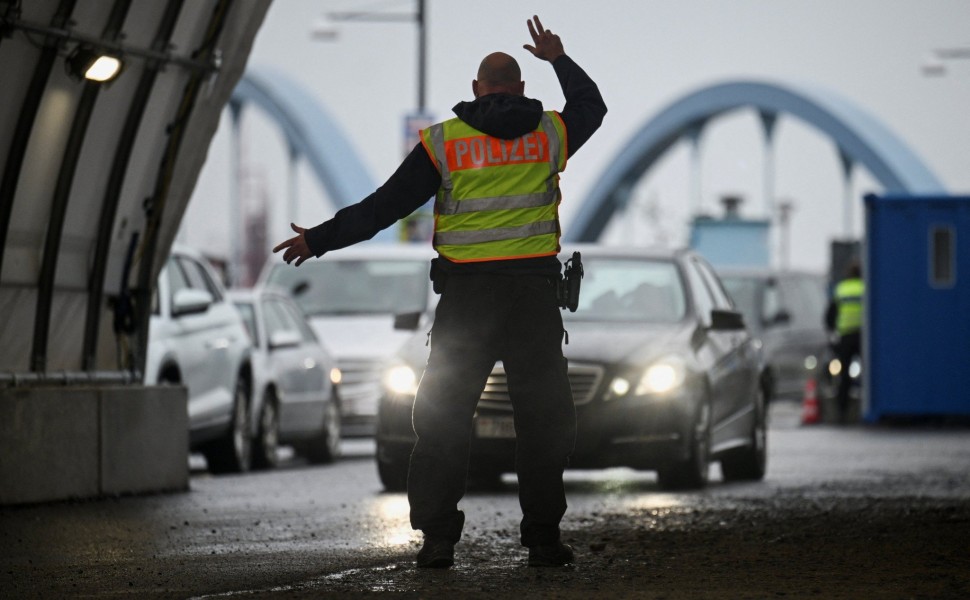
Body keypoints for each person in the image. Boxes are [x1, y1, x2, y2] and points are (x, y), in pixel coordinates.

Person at [273, 15, 606, 569]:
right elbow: (591, 106)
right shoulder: (551, 132)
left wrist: (319, 239)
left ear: (476, 89)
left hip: (466, 304)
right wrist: (559, 59)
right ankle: (544, 539)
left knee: (444, 418)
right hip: (532, 301)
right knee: (543, 421)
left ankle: (438, 540)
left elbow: (385, 207)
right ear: (521, 88)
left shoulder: (444, 143)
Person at [825, 260, 864, 423]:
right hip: (864, 337)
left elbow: (830, 315)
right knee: (868, 374)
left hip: (846, 336)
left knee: (844, 376)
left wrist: (833, 332)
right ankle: (865, 407)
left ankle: (842, 412)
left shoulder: (841, 289)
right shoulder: (865, 288)